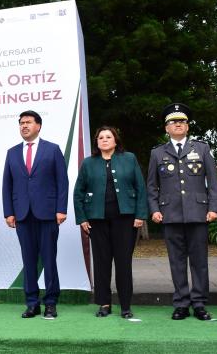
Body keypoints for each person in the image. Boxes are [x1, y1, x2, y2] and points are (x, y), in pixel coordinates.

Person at [147, 103, 217, 320]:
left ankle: (199, 303)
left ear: (187, 126)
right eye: (173, 122)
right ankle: (181, 303)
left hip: (198, 212)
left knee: (199, 261)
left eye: (182, 121)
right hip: (170, 214)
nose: (177, 124)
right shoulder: (157, 153)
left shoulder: (202, 149)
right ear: (166, 128)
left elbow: (213, 182)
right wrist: (154, 209)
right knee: (176, 261)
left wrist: (214, 208)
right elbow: (151, 185)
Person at [74, 127, 147, 318]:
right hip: (97, 220)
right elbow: (78, 193)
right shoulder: (89, 163)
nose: (104, 140)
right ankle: (104, 304)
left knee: (123, 263)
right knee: (101, 262)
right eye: (101, 137)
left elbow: (140, 187)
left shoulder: (129, 158)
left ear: (115, 140)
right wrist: (82, 218)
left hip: (126, 219)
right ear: (96, 142)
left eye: (108, 137)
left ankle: (125, 306)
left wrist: (140, 214)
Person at [2, 110, 69, 319]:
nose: (24, 126)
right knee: (28, 261)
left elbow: (62, 182)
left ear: (38, 126)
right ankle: (32, 303)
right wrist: (9, 212)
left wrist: (61, 209)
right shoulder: (12, 153)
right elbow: (7, 184)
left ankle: (50, 302)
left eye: (28, 122)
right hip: (22, 215)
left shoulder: (52, 149)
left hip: (48, 214)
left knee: (49, 260)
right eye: (21, 123)